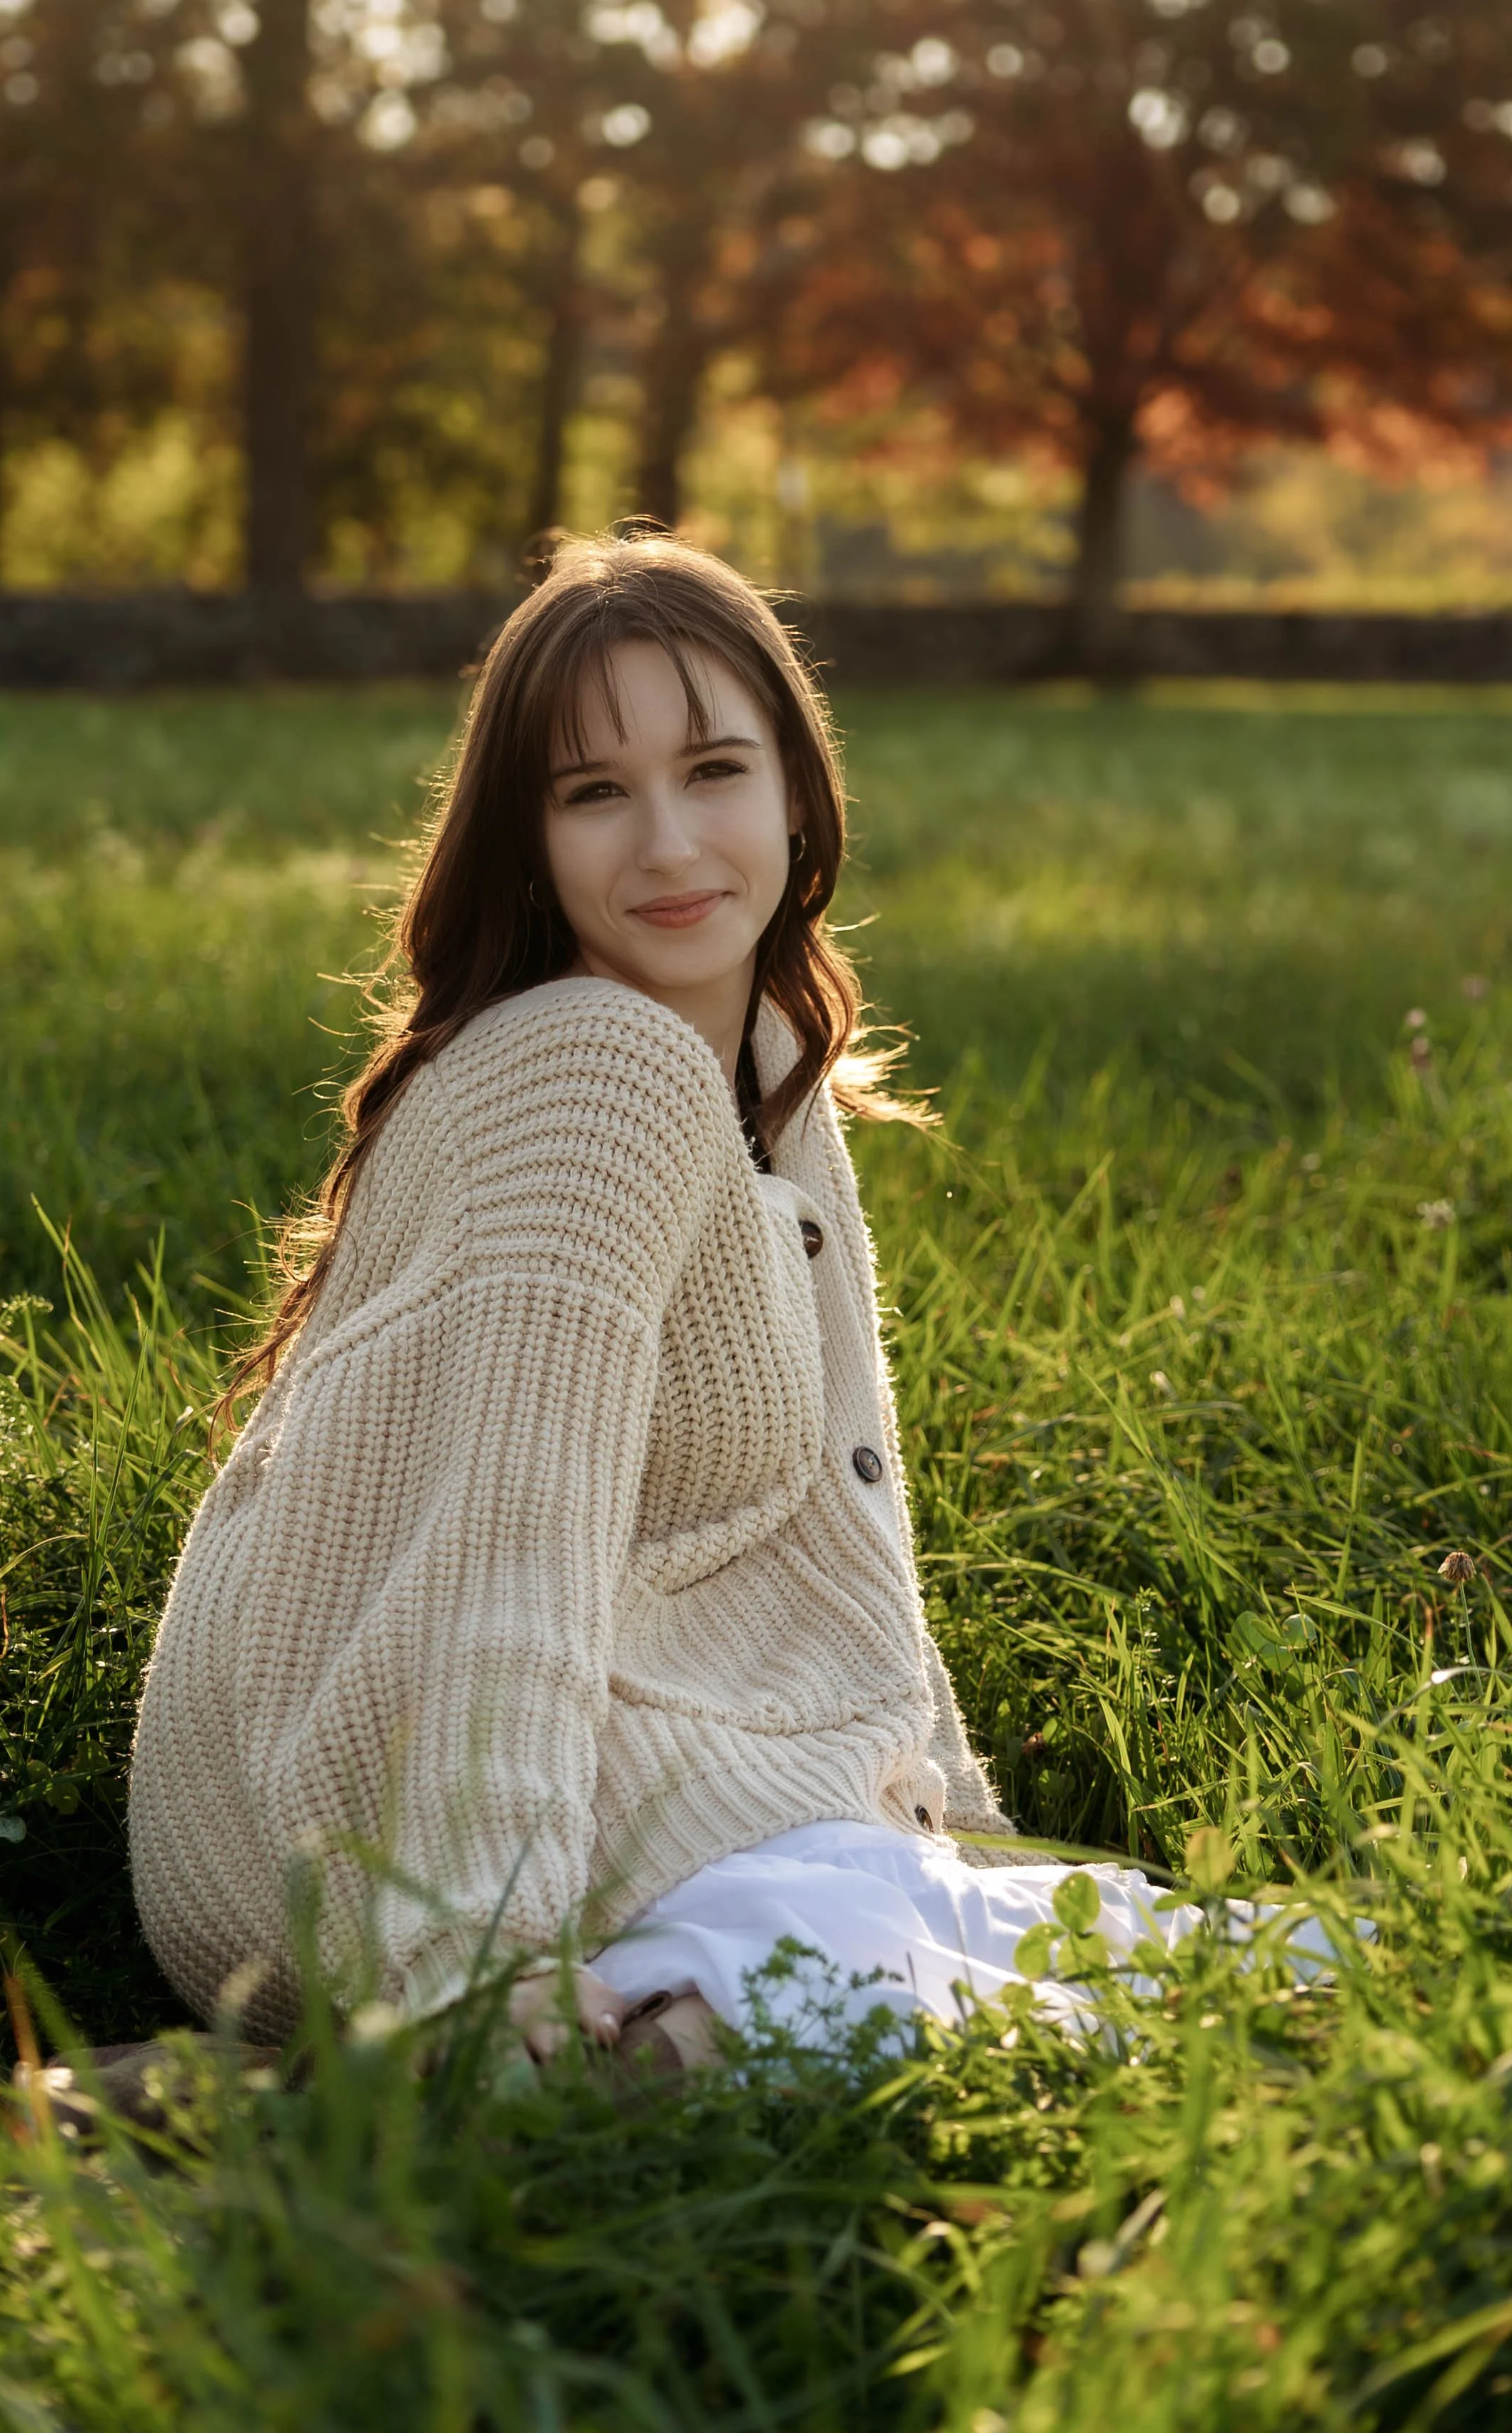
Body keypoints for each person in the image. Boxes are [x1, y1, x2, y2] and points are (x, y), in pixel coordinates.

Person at [128, 534, 1294, 2078]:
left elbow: (839, 1519)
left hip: (672, 1790)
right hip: (374, 1843)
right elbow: (510, 1551)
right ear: (527, 838)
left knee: (1276, 1970)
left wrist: (959, 1824)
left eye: (714, 769)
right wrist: (471, 1960)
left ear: (801, 794)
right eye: (593, 792)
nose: (668, 844)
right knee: (938, 2019)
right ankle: (313, 2106)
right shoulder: (594, 1072)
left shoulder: (760, 1077)